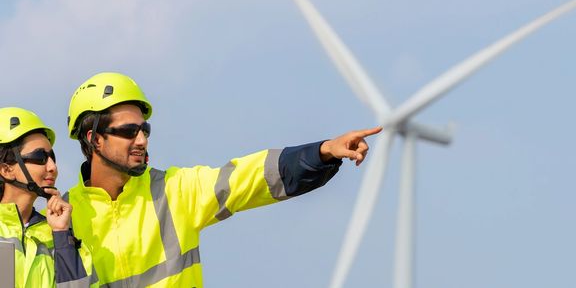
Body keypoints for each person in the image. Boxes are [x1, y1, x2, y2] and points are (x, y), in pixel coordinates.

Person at [64, 72, 382, 287]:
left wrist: (323, 152)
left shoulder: (173, 191)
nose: (142, 140)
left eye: (144, 130)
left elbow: (251, 176)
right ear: (94, 139)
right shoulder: (62, 219)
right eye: (128, 131)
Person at [0, 107, 96, 287]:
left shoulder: (59, 235)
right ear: (6, 170)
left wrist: (62, 234)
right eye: (40, 157)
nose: (52, 167)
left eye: (53, 157)